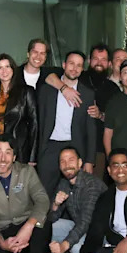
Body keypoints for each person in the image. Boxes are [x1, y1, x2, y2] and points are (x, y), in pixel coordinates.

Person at [36, 51, 96, 195]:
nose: (74, 68)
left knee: (74, 194)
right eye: (71, 63)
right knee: (44, 193)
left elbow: (90, 129)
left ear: (82, 69)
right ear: (63, 65)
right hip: (49, 147)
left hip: (75, 148)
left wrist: (89, 160)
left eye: (79, 65)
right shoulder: (46, 90)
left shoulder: (87, 94)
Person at [47, 147, 107, 253]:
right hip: (82, 231)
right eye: (62, 161)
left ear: (80, 163)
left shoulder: (91, 185)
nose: (67, 165)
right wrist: (55, 205)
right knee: (49, 227)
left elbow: (85, 222)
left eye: (71, 160)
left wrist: (64, 245)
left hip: (100, 238)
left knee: (74, 241)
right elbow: (52, 218)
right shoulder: (64, 183)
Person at [0, 54, 39, 164]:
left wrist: (32, 157)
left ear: (13, 69)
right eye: (0, 68)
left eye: (7, 66)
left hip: (19, 150)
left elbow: (35, 125)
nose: (4, 71)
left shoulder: (26, 92)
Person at [83, 44, 123, 175]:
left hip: (99, 148)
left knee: (94, 188)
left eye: (103, 59)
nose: (99, 63)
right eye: (95, 58)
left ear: (109, 63)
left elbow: (119, 120)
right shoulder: (80, 79)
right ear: (89, 61)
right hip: (75, 144)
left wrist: (100, 115)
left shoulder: (113, 89)